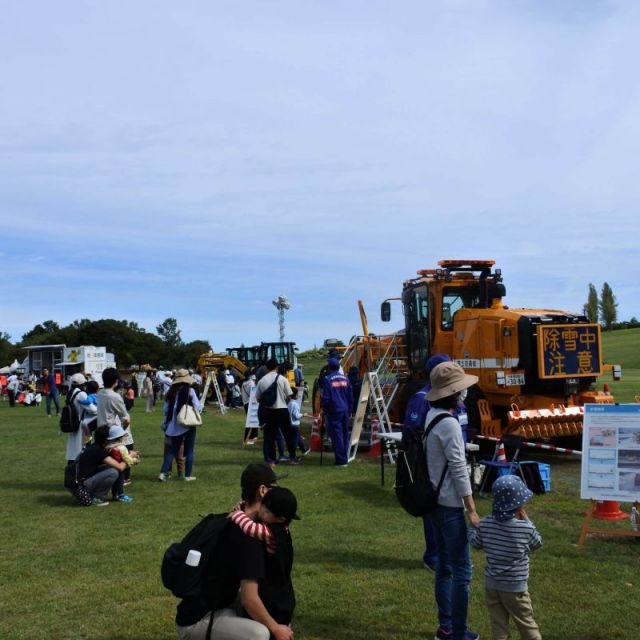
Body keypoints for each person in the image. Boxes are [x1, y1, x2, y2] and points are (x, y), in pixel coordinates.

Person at [174, 463, 295, 640]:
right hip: (197, 620)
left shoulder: (235, 518)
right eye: (274, 487)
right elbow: (249, 599)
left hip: (216, 607)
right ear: (263, 490)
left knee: (266, 616)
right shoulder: (248, 537)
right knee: (261, 634)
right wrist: (276, 628)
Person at [425, 361, 481, 640]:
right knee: (462, 571)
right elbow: (459, 470)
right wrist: (471, 508)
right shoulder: (448, 423)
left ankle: (446, 627)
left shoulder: (432, 415)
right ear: (454, 394)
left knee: (445, 568)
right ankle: (457, 632)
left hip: (434, 503)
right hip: (449, 505)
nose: (464, 394)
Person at [469, 475, 542, 640]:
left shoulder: (486, 523)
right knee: (526, 624)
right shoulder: (525, 528)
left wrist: (471, 527)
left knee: (498, 625)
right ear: (519, 505)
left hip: (492, 586)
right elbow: (537, 543)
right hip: (515, 587)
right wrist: (527, 519)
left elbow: (475, 543)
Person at [403, 354, 452, 572]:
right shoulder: (421, 399)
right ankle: (433, 557)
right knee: (433, 511)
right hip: (431, 468)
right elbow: (411, 434)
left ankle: (446, 553)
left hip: (453, 466)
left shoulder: (454, 397)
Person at [158, 369, 202, 482]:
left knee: (172, 451)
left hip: (174, 425)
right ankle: (187, 475)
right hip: (188, 424)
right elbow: (198, 407)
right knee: (189, 451)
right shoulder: (190, 391)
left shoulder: (171, 392)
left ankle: (163, 473)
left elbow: (166, 410)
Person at [255, 359, 299, 466]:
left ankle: (272, 460)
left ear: (266, 367)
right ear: (277, 367)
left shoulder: (262, 381)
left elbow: (258, 398)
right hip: (282, 409)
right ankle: (292, 458)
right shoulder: (282, 379)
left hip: (269, 411)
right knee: (288, 435)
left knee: (269, 437)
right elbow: (289, 395)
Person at [97, 368, 135, 483]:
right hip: (113, 431)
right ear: (115, 381)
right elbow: (125, 417)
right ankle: (122, 481)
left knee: (107, 458)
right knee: (121, 455)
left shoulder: (100, 393)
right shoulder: (114, 396)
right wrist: (123, 430)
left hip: (101, 430)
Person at [77, 425, 129, 506]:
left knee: (111, 468)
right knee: (113, 472)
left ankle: (116, 495)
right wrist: (129, 457)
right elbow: (120, 467)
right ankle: (97, 498)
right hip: (84, 484)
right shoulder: (99, 450)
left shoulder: (95, 446)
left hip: (82, 482)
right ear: (106, 439)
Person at [320, 358, 353, 467]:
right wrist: (350, 410)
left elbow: (326, 397)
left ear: (329, 367)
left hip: (334, 410)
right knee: (344, 434)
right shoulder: (346, 379)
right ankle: (345, 457)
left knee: (337, 435)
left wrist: (323, 408)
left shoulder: (327, 379)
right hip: (345, 410)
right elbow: (350, 397)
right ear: (339, 367)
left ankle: (341, 460)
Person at [104, 425, 139, 503]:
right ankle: (121, 495)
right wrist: (135, 460)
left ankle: (114, 495)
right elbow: (127, 458)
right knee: (120, 481)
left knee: (114, 483)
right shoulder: (121, 448)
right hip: (120, 468)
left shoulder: (108, 446)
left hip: (111, 467)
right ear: (120, 438)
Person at [287, 388, 310, 456]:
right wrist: (303, 415)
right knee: (295, 440)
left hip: (290, 424)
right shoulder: (295, 404)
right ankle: (292, 456)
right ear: (296, 395)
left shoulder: (289, 403)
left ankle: (304, 450)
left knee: (298, 437)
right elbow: (296, 416)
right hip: (294, 425)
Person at [242, 374, 258, 445]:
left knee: (252, 421)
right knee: (251, 421)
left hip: (245, 403)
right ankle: (249, 438)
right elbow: (254, 394)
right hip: (250, 403)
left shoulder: (243, 383)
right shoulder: (251, 383)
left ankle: (253, 436)